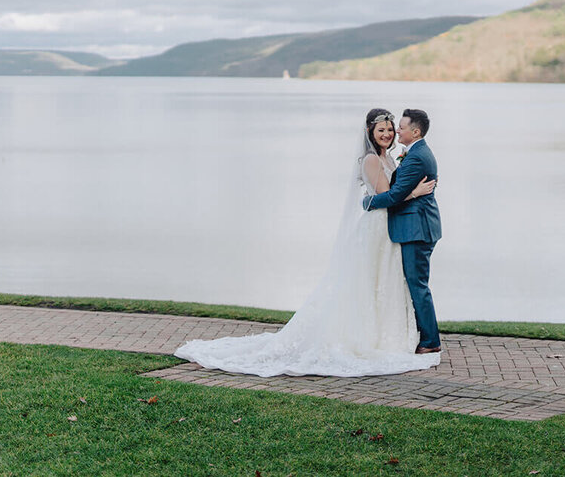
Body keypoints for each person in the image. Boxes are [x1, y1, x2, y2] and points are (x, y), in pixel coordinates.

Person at [173, 108, 439, 376]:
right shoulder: (371, 159)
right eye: (381, 130)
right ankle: (373, 336)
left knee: (387, 283)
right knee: (370, 282)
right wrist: (405, 194)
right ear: (370, 132)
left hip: (391, 229)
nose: (388, 134)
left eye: (391, 129)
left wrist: (392, 195)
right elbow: (386, 196)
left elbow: (390, 194)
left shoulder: (393, 158)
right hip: (378, 228)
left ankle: (391, 334)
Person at [362, 108, 441, 353]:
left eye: (400, 128)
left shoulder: (416, 156)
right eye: (384, 129)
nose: (395, 132)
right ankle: (418, 334)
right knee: (407, 283)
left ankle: (430, 341)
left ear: (415, 131)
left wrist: (368, 203)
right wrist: (413, 193)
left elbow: (393, 195)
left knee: (417, 285)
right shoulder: (408, 154)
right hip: (406, 227)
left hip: (416, 228)